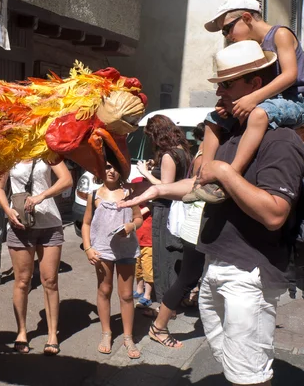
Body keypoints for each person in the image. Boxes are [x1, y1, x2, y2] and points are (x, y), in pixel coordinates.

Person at [120, 40, 304, 386]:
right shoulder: (231, 133)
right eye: (219, 83)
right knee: (233, 364)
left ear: (256, 83)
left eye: (228, 84)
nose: (219, 91)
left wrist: (223, 172)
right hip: (216, 265)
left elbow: (275, 213)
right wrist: (159, 189)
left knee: (250, 374)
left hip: (249, 274)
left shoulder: (281, 142)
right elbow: (201, 185)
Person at [187, 0, 304, 204]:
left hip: (296, 100)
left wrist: (253, 98)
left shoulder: (280, 34)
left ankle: (231, 175)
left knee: (259, 114)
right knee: (214, 118)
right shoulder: (255, 45)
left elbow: (290, 75)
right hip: (272, 100)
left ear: (247, 17)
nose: (227, 35)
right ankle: (203, 179)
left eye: (228, 29)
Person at [0, 159, 72, 356]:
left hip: (50, 224)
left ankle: (53, 334)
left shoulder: (47, 151)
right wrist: (7, 210)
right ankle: (21, 332)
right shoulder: (10, 152)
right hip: (20, 224)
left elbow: (67, 180)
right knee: (22, 281)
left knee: (50, 281)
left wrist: (42, 196)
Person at [148, 123, 207, 349]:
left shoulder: (176, 155)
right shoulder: (189, 153)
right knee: (186, 273)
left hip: (187, 216)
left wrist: (148, 177)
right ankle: (160, 323)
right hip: (194, 218)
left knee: (178, 269)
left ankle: (161, 321)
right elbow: (174, 186)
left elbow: (168, 186)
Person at [82, 161, 143, 359]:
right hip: (102, 251)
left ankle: (128, 337)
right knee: (104, 290)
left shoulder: (129, 193)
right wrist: (88, 248)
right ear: (101, 169)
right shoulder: (94, 195)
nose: (111, 171)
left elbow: (138, 218)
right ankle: (106, 333)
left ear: (122, 171)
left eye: (116, 167)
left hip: (126, 250)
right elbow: (86, 223)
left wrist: (130, 226)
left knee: (126, 295)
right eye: (108, 166)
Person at [137, 115, 191, 303]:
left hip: (165, 210)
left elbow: (165, 187)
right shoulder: (182, 150)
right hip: (178, 209)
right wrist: (155, 166)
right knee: (176, 256)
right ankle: (179, 298)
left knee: (163, 258)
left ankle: (166, 303)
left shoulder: (169, 155)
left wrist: (146, 173)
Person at [131, 177, 154, 309]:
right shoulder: (134, 206)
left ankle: (147, 295)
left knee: (147, 270)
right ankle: (139, 289)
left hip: (148, 243)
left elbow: (141, 213)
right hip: (136, 243)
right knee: (137, 269)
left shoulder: (150, 206)